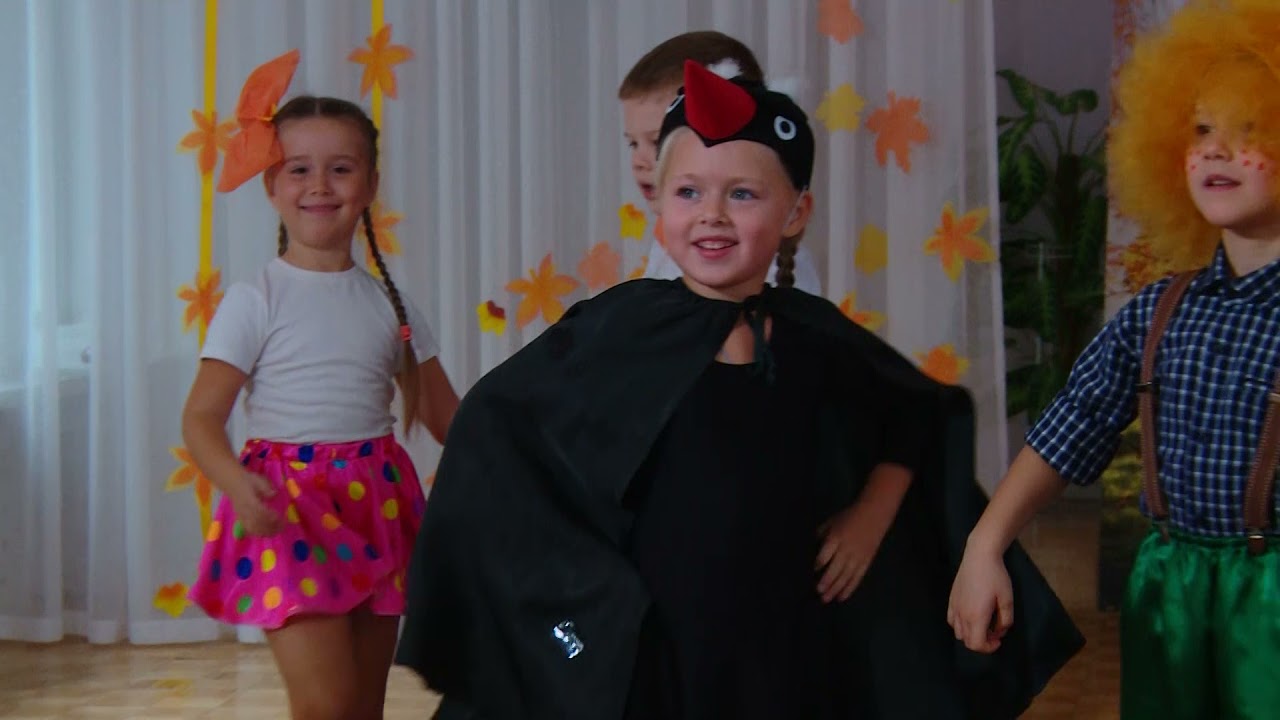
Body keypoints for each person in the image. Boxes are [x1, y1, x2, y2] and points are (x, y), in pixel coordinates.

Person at [399, 59, 1080, 720]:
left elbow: (916, 413)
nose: (712, 215)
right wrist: (582, 598)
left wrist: (873, 511)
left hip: (781, 646)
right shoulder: (617, 330)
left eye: (743, 194)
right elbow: (496, 430)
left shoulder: (817, 337)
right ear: (658, 203)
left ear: (796, 211)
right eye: (689, 192)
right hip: (656, 649)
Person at [947, 2, 1280, 717]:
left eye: (1249, 129)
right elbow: (1074, 424)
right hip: (1169, 590)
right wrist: (985, 543)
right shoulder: (1158, 311)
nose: (1216, 151)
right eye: (1201, 130)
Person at [182, 49, 459, 720]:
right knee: (325, 705)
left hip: (378, 504)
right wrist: (234, 481)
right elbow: (201, 418)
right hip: (287, 506)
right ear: (272, 185)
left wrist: (536, 460)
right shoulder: (256, 299)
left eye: (341, 168)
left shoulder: (390, 303)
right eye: (299, 169)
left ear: (369, 184)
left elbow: (451, 418)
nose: (320, 186)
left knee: (362, 707)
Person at [619, 31, 823, 294]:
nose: (639, 161)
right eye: (633, 143)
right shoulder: (678, 237)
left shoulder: (766, 265)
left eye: (658, 141)